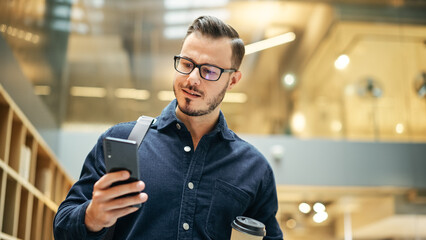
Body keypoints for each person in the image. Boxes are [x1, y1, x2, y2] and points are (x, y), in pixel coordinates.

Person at [53, 15, 283, 240]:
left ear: (232, 81)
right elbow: (62, 227)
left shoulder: (255, 169)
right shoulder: (123, 141)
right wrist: (92, 216)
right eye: (187, 64)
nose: (192, 79)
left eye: (209, 71)